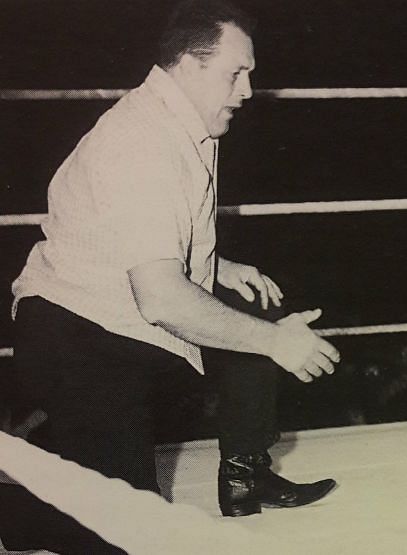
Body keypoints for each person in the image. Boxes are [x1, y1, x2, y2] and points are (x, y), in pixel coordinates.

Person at [0, 1, 340, 552]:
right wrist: (276, 342)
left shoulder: (181, 123)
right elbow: (162, 299)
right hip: (83, 340)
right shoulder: (142, 143)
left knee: (246, 299)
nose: (248, 91)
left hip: (113, 327)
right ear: (187, 63)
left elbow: (129, 234)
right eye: (237, 73)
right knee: (132, 535)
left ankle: (245, 472)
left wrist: (218, 267)